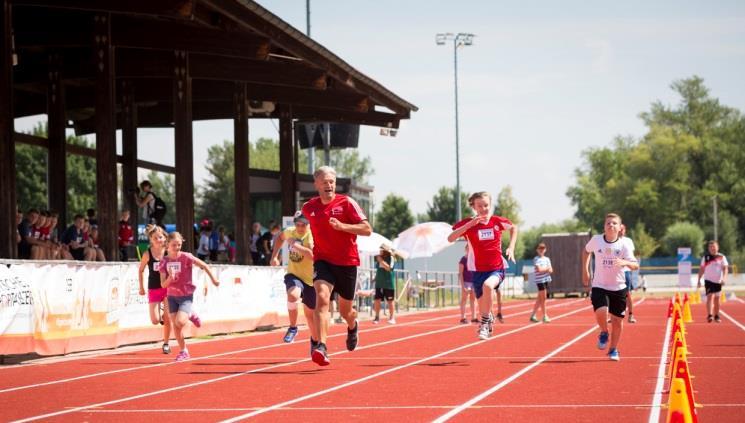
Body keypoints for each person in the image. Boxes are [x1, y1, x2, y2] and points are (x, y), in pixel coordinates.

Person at [302, 166, 372, 366]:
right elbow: (299, 226)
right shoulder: (309, 208)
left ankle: (352, 325)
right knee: (322, 299)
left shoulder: (347, 203)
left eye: (331, 182)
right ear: (316, 184)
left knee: (345, 312)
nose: (328, 185)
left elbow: (367, 229)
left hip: (347, 262)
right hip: (323, 261)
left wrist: (343, 227)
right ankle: (321, 346)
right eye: (324, 182)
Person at [447, 191, 518, 340]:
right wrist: (469, 225)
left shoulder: (497, 222)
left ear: (490, 205)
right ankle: (488, 319)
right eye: (480, 206)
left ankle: (484, 325)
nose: (484, 208)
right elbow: (450, 238)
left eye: (486, 205)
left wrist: (511, 247)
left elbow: (513, 228)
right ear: (474, 207)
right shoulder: (469, 225)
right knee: (483, 306)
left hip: (497, 268)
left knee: (488, 286)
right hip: (477, 271)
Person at [582, 213, 638, 361]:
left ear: (620, 228)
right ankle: (604, 331)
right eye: (608, 223)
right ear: (604, 227)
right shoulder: (596, 240)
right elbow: (586, 251)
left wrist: (625, 263)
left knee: (617, 321)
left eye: (614, 223)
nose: (611, 225)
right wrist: (585, 270)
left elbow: (635, 265)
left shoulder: (624, 245)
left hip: (618, 286)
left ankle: (613, 350)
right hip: (599, 284)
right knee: (601, 310)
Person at [159, 231, 219, 361]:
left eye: (179, 245)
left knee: (180, 321)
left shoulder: (186, 257)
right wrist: (170, 277)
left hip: (185, 295)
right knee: (176, 325)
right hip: (172, 296)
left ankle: (190, 314)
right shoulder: (163, 262)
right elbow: (163, 285)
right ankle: (183, 351)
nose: (177, 248)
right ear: (167, 245)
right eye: (174, 245)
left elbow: (203, 265)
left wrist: (213, 279)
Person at [270, 213, 317, 346]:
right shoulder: (290, 231)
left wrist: (295, 245)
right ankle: (293, 327)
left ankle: (315, 342)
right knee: (292, 295)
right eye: (298, 224)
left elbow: (311, 255)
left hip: (310, 279)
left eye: (304, 225)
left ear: (308, 224)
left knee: (310, 315)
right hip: (294, 274)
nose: (300, 228)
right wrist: (274, 256)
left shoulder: (311, 235)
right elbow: (279, 238)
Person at [138, 224, 172, 354]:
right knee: (155, 320)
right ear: (151, 240)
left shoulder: (169, 252)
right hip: (154, 288)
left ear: (165, 238)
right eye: (155, 238)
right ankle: (162, 315)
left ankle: (166, 343)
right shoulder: (147, 254)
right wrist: (141, 287)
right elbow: (140, 270)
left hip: (168, 288)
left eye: (161, 237)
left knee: (167, 318)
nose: (159, 240)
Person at [697, 240, 728, 323]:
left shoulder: (722, 257)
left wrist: (724, 279)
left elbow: (725, 269)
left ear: (717, 247)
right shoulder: (705, 257)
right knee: (710, 296)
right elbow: (701, 269)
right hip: (708, 281)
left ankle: (717, 316)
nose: (712, 248)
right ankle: (710, 315)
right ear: (708, 248)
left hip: (718, 281)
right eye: (710, 247)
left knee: (717, 299)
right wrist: (699, 280)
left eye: (713, 246)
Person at [372, 243, 397, 325]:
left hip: (388, 283)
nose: (380, 251)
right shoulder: (379, 258)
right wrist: (375, 278)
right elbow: (379, 269)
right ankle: (377, 317)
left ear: (386, 251)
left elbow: (389, 268)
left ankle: (392, 317)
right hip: (379, 283)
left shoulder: (391, 258)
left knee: (390, 300)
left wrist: (381, 261)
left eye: (381, 249)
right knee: (377, 300)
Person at [530, 242, 553, 323]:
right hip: (540, 281)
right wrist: (546, 269)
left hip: (546, 280)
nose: (541, 250)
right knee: (543, 298)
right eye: (540, 248)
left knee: (539, 299)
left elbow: (551, 270)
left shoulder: (547, 259)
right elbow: (539, 270)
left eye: (543, 249)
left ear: (545, 250)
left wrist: (545, 269)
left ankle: (533, 315)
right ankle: (544, 315)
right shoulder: (536, 259)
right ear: (537, 250)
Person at [619, 224, 638, 323]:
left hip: (626, 271)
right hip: (615, 272)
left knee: (627, 294)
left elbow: (630, 256)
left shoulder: (628, 241)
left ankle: (630, 315)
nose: (621, 231)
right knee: (612, 294)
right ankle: (613, 315)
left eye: (623, 229)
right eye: (620, 229)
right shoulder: (612, 240)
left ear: (625, 230)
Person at [458, 244, 479, 324]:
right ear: (465, 249)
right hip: (466, 282)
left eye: (470, 249)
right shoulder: (463, 260)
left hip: (474, 282)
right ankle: (463, 318)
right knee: (464, 299)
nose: (469, 250)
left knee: (473, 299)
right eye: (467, 249)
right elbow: (460, 273)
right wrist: (463, 286)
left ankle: (474, 317)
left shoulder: (474, 259)